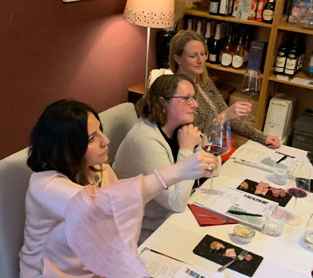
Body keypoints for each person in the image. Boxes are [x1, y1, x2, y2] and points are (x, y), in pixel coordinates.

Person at [18, 99, 218, 278]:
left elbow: (119, 216)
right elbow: (100, 206)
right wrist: (177, 172)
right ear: (66, 148)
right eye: (91, 138)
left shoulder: (100, 171)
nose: (106, 141)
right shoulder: (44, 186)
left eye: (101, 132)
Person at [113, 74, 212, 244]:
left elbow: (212, 170)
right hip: (143, 230)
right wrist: (186, 149)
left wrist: (199, 148)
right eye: (187, 99)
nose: (195, 105)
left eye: (194, 98)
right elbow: (176, 202)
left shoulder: (180, 129)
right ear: (162, 102)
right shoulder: (144, 138)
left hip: (172, 218)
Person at [169, 30, 280, 148]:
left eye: (202, 54)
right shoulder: (176, 92)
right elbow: (196, 135)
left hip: (214, 148)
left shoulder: (205, 82)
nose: (200, 60)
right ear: (177, 58)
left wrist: (263, 137)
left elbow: (229, 118)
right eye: (193, 56)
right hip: (195, 155)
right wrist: (225, 115)